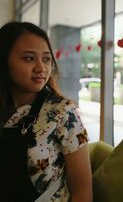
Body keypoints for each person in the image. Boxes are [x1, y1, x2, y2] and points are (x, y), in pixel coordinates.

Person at [0, 21, 92, 202]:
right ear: (4, 60)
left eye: (46, 59)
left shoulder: (63, 113)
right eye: (28, 58)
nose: (41, 68)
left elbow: (83, 190)